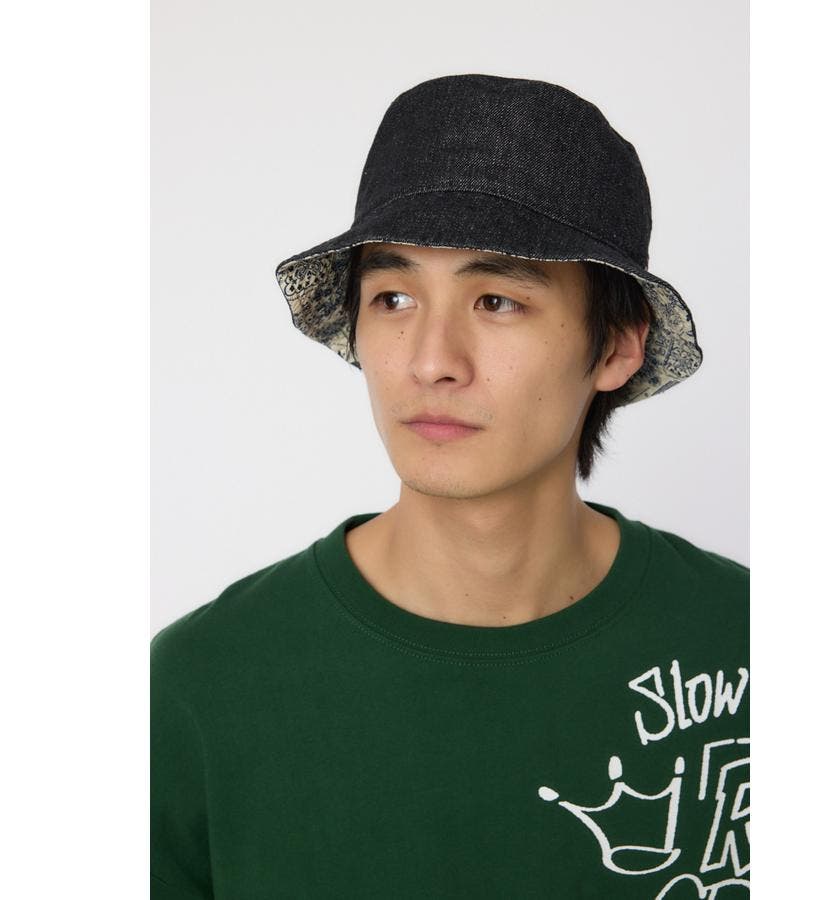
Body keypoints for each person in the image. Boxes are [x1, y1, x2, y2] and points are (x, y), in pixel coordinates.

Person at [151, 74, 749, 899]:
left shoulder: (748, 643)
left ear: (617, 346)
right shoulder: (199, 691)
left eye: (496, 300)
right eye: (393, 297)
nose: (431, 361)